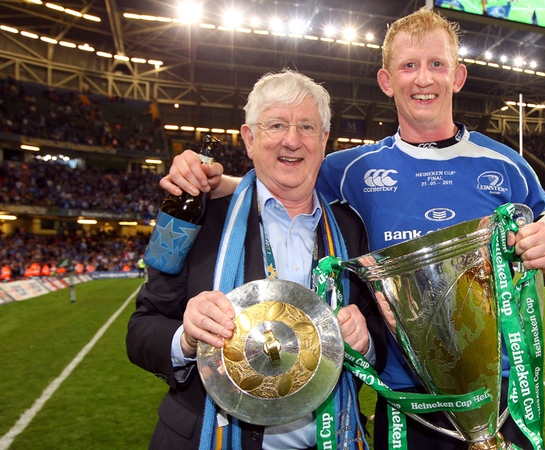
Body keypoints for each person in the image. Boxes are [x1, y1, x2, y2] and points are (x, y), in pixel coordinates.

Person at [160, 9, 545, 450]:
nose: (423, 79)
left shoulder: (506, 165)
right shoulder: (352, 169)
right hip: (405, 400)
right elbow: (278, 183)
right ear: (385, 80)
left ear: (458, 76)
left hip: (499, 393)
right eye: (409, 66)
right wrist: (202, 180)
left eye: (437, 64)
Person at [127, 70, 387, 450]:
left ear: (324, 140)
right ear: (249, 139)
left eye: (307, 127)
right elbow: (140, 329)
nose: (292, 140)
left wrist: (365, 342)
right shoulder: (193, 215)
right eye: (277, 125)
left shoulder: (350, 228)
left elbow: (378, 332)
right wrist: (187, 337)